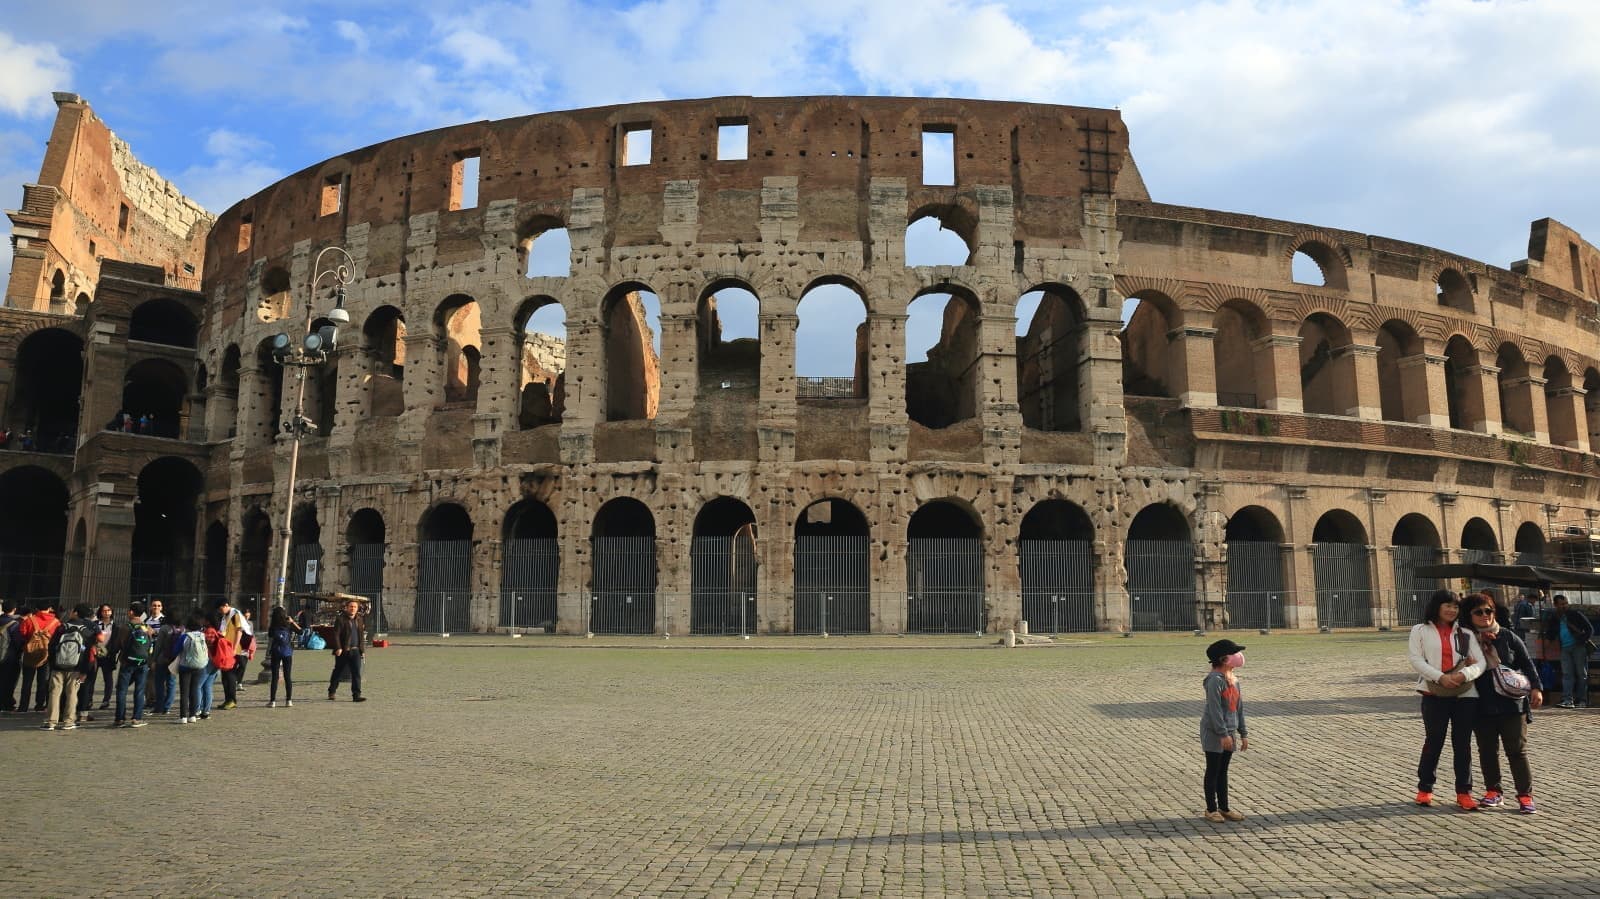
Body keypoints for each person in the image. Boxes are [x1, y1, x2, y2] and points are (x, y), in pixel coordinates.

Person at [1461, 594, 1541, 813]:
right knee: (1487, 750)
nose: (1485, 615)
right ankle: (1494, 792)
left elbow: (1527, 662)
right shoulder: (1464, 640)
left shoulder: (1507, 636)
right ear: (1469, 616)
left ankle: (1525, 796)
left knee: (1517, 750)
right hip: (1480, 703)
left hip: (1512, 705)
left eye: (1489, 611)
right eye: (1479, 612)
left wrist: (1536, 687)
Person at [1408, 589, 1487, 810]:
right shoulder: (1420, 631)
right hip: (1434, 693)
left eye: (1455, 606)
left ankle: (1464, 792)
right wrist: (1440, 677)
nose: (1452, 610)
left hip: (1465, 694)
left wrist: (1463, 675)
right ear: (1437, 607)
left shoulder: (1466, 634)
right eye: (1448, 605)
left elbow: (1480, 663)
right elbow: (1415, 658)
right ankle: (1425, 789)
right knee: (1434, 741)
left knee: (1463, 744)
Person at [1200, 638, 1249, 823]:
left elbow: (1239, 708)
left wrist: (1243, 733)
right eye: (1234, 653)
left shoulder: (1234, 680)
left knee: (1223, 771)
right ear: (1224, 659)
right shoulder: (1214, 680)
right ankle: (1211, 809)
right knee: (1213, 769)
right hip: (1215, 732)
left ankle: (1224, 807)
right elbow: (1214, 710)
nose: (1238, 656)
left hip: (1230, 732)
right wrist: (1222, 734)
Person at [44, 604, 95, 731]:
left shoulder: (62, 627)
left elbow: (51, 646)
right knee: (72, 694)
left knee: (54, 693)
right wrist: (85, 670)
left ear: (75, 613)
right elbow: (90, 653)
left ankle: (51, 721)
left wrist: (52, 662)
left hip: (58, 666)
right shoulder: (86, 631)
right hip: (76, 668)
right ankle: (69, 721)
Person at [108, 602, 153, 728]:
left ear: (132, 612)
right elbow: (150, 645)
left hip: (127, 662)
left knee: (122, 690)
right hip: (143, 662)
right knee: (139, 690)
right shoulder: (146, 628)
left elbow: (116, 646)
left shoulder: (124, 628)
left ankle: (120, 718)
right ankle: (136, 718)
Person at [1544, 594, 1593, 709]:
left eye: (1565, 603)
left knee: (1581, 674)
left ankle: (1582, 700)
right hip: (1565, 649)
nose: (1564, 606)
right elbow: (1550, 633)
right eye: (1561, 604)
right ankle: (1567, 700)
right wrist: (1546, 645)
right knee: (1567, 674)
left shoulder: (1575, 614)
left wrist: (1581, 641)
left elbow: (1589, 629)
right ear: (1555, 605)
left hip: (1578, 648)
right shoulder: (1554, 617)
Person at [17, 603, 60, 713]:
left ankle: (23, 706)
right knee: (43, 681)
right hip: (46, 655)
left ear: (36, 609)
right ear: (50, 608)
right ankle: (39, 705)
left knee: (27, 681)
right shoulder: (56, 622)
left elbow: (22, 634)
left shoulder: (29, 620)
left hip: (29, 654)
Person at [329, 599, 367, 702]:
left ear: (357, 609)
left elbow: (361, 635)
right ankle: (332, 691)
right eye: (351, 606)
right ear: (347, 608)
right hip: (343, 650)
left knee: (356, 673)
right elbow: (336, 634)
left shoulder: (359, 619)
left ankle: (356, 695)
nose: (353, 609)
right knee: (338, 671)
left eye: (355, 607)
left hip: (355, 650)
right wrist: (338, 647)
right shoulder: (341, 619)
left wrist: (362, 650)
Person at [176, 614, 209, 724]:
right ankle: (192, 715)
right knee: (195, 690)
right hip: (200, 666)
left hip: (185, 666)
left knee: (184, 692)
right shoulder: (202, 636)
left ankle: (183, 717)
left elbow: (175, 650)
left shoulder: (185, 636)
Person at [266, 606, 301, 707]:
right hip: (287, 653)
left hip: (276, 652)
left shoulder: (273, 626)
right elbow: (301, 632)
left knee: (275, 677)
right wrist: (292, 622)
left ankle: (272, 701)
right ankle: (288, 700)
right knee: (287, 676)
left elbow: (270, 636)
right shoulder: (288, 624)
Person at [86, 603, 117, 711]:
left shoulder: (115, 625)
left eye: (108, 610)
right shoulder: (94, 624)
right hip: (95, 654)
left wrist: (111, 651)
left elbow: (115, 641)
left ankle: (106, 700)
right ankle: (88, 699)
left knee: (108, 678)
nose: (106, 612)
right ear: (100, 612)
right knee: (91, 678)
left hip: (108, 655)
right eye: (104, 610)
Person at [217, 599, 246, 709]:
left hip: (233, 650)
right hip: (225, 649)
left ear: (226, 605)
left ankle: (232, 700)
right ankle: (227, 699)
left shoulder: (235, 614)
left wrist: (234, 648)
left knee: (230, 676)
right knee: (225, 677)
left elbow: (239, 630)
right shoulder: (225, 616)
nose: (220, 611)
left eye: (221, 609)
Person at [0, 600, 21, 713]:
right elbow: (17, 642)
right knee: (9, 681)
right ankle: (6, 703)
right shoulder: (14, 624)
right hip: (9, 657)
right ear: (14, 609)